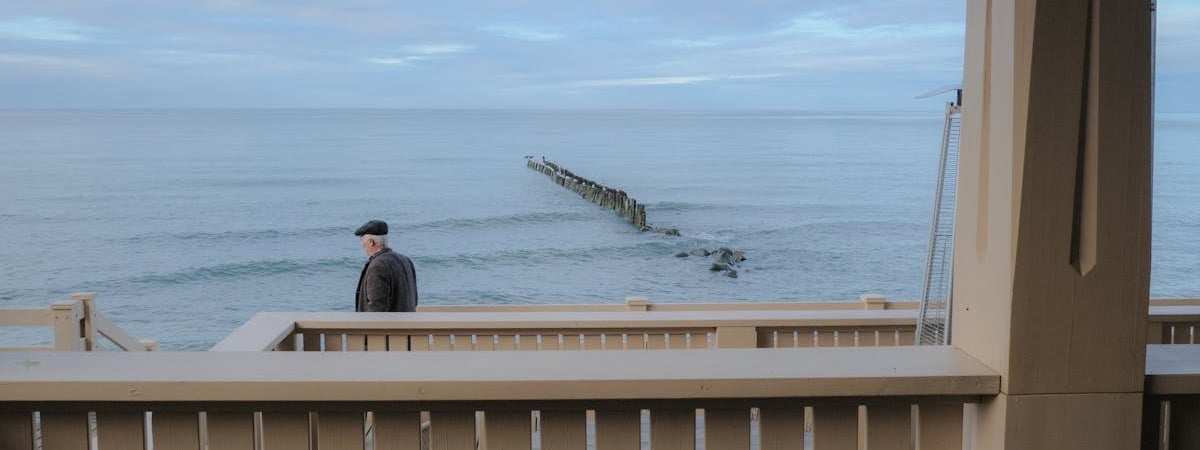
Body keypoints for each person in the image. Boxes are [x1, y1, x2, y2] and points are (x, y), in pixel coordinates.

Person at [353, 219, 418, 312]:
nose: (362, 245)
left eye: (363, 242)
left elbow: (377, 307)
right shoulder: (406, 260)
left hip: (389, 326)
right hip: (407, 324)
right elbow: (414, 299)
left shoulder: (378, 265)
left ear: (371, 242)